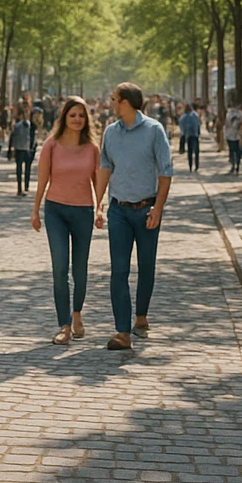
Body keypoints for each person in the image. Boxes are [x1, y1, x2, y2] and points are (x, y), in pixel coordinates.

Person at [96, 83, 173, 351]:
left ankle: (141, 316)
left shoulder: (154, 130)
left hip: (147, 209)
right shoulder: (110, 133)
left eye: (114, 98)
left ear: (126, 102)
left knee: (146, 266)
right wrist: (98, 204)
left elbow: (165, 171)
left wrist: (159, 208)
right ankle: (122, 331)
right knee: (118, 271)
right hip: (118, 209)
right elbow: (105, 167)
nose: (111, 102)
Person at [32, 96, 102, 345]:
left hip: (83, 211)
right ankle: (64, 325)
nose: (77, 119)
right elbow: (42, 180)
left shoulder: (93, 149)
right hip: (56, 211)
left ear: (87, 120)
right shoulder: (51, 145)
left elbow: (98, 182)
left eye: (81, 116)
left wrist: (100, 209)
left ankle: (77, 314)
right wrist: (36, 210)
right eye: (72, 115)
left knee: (80, 269)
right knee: (60, 268)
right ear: (64, 117)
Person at [8, 105, 36, 194]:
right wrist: (10, 149)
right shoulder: (17, 126)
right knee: (19, 169)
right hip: (20, 149)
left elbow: (33, 137)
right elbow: (12, 137)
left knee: (27, 169)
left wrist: (33, 148)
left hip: (27, 149)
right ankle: (19, 188)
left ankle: (26, 186)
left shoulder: (31, 125)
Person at [178, 103, 201, 172]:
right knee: (190, 152)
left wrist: (198, 132)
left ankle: (196, 166)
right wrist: (184, 132)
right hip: (189, 136)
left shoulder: (194, 115)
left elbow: (198, 124)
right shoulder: (185, 116)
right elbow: (181, 124)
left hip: (194, 135)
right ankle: (191, 166)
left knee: (196, 152)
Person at [223, 102, 242, 174]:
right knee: (237, 152)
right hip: (236, 135)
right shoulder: (240, 113)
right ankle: (236, 166)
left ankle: (233, 166)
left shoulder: (228, 113)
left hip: (231, 135)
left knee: (232, 151)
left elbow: (226, 124)